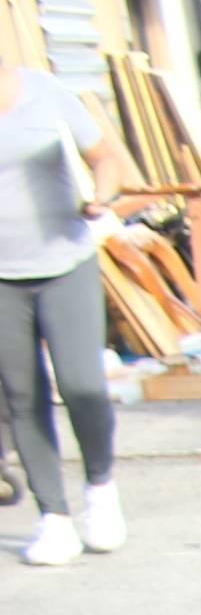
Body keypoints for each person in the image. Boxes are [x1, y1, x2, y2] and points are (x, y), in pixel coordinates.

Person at [0, 59, 131, 568]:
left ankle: (100, 490)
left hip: (65, 262)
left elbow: (105, 158)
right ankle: (53, 518)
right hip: (2, 279)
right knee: (22, 394)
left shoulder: (43, 91)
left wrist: (102, 195)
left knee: (82, 385)